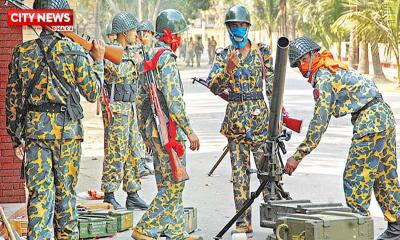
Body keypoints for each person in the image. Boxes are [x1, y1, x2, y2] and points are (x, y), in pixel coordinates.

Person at [6, 0, 105, 239]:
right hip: (67, 134)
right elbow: (93, 93)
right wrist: (99, 61)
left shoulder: (22, 52)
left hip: (35, 134)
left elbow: (13, 101)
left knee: (40, 194)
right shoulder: (75, 51)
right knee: (66, 195)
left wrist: (15, 136)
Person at [285, 36, 400, 240]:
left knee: (355, 178)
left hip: (370, 122)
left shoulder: (324, 76)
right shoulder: (331, 67)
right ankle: (396, 229)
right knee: (383, 176)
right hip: (383, 116)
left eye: (303, 61)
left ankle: (359, 232)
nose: (301, 68)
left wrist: (297, 156)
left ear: (313, 56)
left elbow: (319, 123)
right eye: (298, 65)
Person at [132, 8, 202, 240]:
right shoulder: (166, 60)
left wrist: (144, 134)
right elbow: (174, 101)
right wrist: (189, 131)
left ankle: (175, 231)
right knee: (175, 183)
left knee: (167, 182)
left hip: (154, 131)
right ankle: (145, 228)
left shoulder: (149, 58)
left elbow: (140, 103)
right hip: (169, 132)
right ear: (171, 35)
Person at [207, 4, 274, 236]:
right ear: (228, 28)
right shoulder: (223, 55)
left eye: (241, 25)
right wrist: (227, 70)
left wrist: (278, 119)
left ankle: (274, 220)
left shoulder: (262, 52)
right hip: (235, 122)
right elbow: (214, 88)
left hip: (260, 121)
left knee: (268, 173)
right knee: (239, 176)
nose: (237, 30)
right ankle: (243, 223)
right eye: (233, 26)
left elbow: (273, 88)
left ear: (248, 27)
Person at [101, 11, 148, 210]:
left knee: (132, 151)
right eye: (132, 31)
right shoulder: (112, 52)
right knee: (115, 152)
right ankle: (109, 193)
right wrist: (135, 62)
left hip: (129, 108)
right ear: (123, 32)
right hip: (116, 109)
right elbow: (117, 71)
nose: (135, 34)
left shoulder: (129, 52)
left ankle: (132, 192)